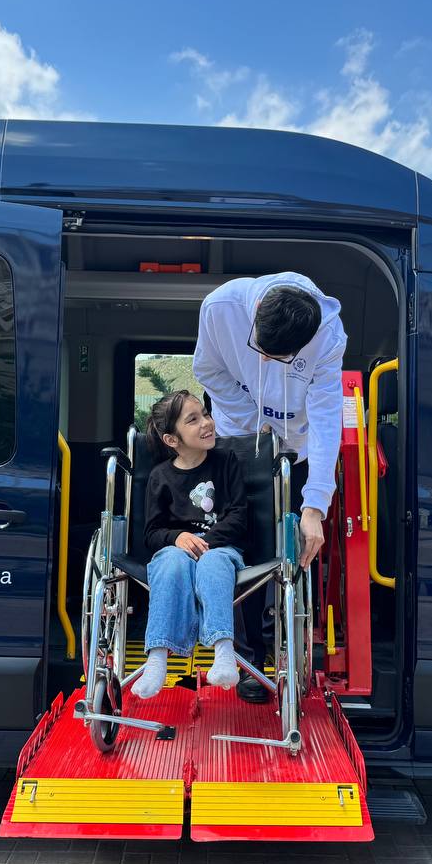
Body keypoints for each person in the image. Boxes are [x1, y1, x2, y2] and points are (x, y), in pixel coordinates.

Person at [193, 272, 346, 702]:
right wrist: (250, 418)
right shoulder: (220, 307)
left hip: (293, 450)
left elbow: (326, 417)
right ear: (257, 312)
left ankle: (278, 649)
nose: (263, 361)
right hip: (236, 441)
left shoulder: (328, 336)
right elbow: (207, 369)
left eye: (277, 358)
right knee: (234, 547)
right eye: (260, 349)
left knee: (277, 551)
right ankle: (246, 662)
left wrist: (315, 506)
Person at [132, 390, 247, 700]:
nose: (206, 423)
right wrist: (178, 538)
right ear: (172, 439)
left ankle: (224, 654)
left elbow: (238, 516)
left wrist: (204, 543)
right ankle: (157, 661)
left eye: (205, 415)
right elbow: (152, 533)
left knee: (212, 561)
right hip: (176, 552)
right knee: (171, 561)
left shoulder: (226, 462)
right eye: (193, 420)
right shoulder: (160, 477)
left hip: (220, 548)